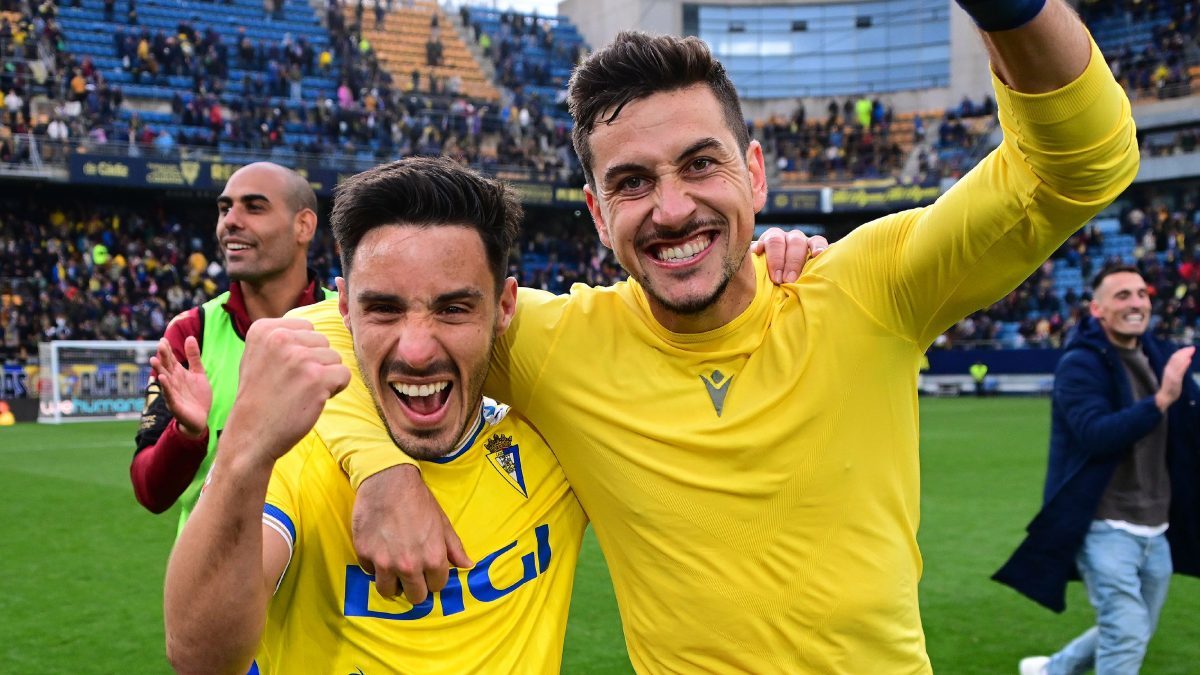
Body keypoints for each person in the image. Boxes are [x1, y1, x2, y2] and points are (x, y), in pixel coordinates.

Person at [314, 2, 1140, 670]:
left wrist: (1012, 11)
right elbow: (331, 325)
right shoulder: (549, 342)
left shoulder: (870, 286)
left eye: (700, 164)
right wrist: (381, 467)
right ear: (599, 215)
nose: (672, 209)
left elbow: (1081, 168)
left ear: (756, 172)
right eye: (632, 182)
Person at [163, 157, 592, 673]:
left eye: (453, 309)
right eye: (383, 309)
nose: (415, 350)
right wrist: (241, 452)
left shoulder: (556, 444)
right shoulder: (300, 450)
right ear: (342, 308)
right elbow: (199, 657)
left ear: (505, 307)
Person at [994, 264, 1200, 675]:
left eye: (1141, 293)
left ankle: (1054, 669)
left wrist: (1177, 399)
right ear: (1097, 309)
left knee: (1136, 626)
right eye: (1122, 295)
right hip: (1103, 523)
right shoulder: (1079, 364)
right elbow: (1095, 434)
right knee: (1126, 631)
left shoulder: (1158, 353)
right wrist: (1160, 401)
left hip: (1155, 526)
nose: (1136, 302)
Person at [131, 162, 333, 536]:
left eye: (254, 207)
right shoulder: (191, 334)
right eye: (225, 209)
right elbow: (150, 491)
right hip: (215, 584)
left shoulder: (352, 322)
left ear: (303, 225)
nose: (230, 222)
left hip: (339, 588)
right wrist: (187, 435)